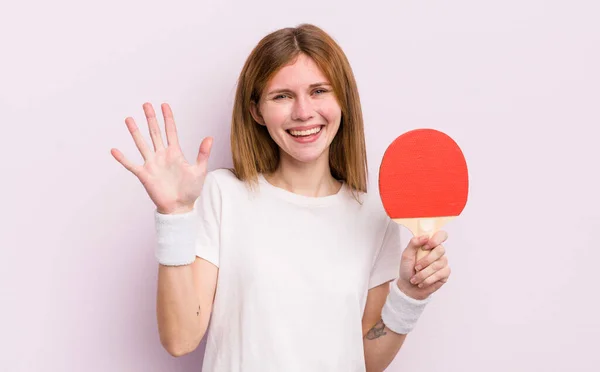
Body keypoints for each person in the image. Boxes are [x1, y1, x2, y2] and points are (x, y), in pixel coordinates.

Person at [111, 23, 451, 372]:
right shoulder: (224, 195)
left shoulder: (374, 216)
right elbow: (180, 340)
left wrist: (409, 296)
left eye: (319, 91)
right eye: (282, 96)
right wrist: (175, 214)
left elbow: (366, 360)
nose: (304, 112)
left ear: (343, 101)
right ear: (257, 110)